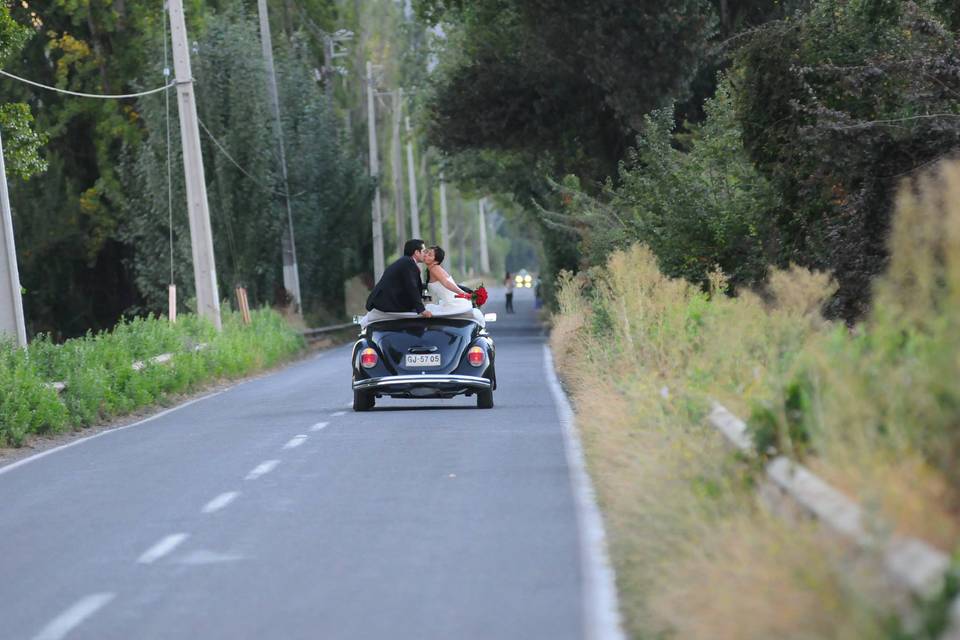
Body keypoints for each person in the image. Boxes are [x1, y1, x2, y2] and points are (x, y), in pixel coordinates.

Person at [365, 239, 433, 318]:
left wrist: (431, 286)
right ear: (417, 252)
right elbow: (411, 286)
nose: (425, 254)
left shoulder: (405, 261)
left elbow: (412, 286)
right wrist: (422, 310)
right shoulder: (408, 263)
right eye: (424, 251)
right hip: (385, 304)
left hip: (386, 302)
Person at [422, 246, 473, 315]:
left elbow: (446, 283)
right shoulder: (433, 269)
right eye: (426, 252)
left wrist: (463, 293)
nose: (426, 255)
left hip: (453, 305)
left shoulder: (434, 269)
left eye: (429, 255)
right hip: (448, 303)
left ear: (436, 261)